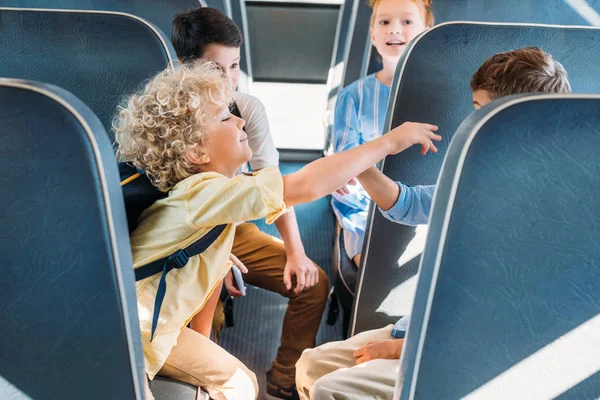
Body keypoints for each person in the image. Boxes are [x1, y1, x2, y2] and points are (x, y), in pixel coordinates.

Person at [114, 62, 440, 399]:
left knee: (242, 381)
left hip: (155, 327)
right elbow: (305, 185)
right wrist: (388, 142)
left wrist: (205, 344)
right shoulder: (203, 194)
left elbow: (206, 281)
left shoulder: (213, 195)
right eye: (226, 118)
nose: (240, 121)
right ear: (196, 152)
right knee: (238, 385)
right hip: (135, 332)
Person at [295, 46, 572, 400]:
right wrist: (362, 163)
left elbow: (499, 317)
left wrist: (402, 350)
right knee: (311, 365)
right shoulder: (482, 173)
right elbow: (409, 204)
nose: (470, 124)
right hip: (423, 331)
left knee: (330, 389)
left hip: (457, 352)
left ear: (515, 119)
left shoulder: (546, 204)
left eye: (480, 114)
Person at [171, 8, 328, 398]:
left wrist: (296, 252)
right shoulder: (169, 116)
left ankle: (283, 378)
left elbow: (273, 186)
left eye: (235, 66)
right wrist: (215, 259)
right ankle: (203, 386)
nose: (227, 81)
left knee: (312, 284)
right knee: (206, 308)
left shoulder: (247, 110)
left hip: (233, 227)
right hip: (184, 236)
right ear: (184, 67)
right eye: (214, 68)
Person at [331, 0, 434, 268]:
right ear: (373, 34)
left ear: (427, 30)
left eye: (407, 22)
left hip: (430, 207)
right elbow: (345, 168)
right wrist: (345, 179)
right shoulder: (352, 97)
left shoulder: (441, 95)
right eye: (385, 22)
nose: (394, 30)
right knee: (378, 268)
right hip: (367, 209)